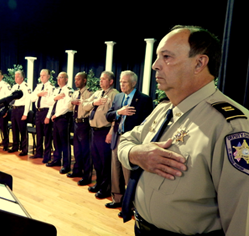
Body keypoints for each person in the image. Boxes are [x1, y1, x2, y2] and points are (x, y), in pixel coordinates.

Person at [118, 25, 249, 236]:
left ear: (199, 63)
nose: (154, 65)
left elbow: (241, 219)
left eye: (166, 57)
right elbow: (126, 140)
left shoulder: (231, 125)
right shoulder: (163, 109)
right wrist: (136, 154)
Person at [105, 70, 153, 210]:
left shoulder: (144, 99)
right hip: (117, 137)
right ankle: (117, 199)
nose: (122, 84)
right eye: (120, 81)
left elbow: (148, 123)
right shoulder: (118, 97)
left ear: (133, 83)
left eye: (125, 82)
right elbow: (109, 115)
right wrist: (119, 112)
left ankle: (130, 205)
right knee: (116, 171)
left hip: (132, 141)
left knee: (128, 173)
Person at [82, 71, 119, 199]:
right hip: (94, 131)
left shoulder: (115, 95)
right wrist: (94, 103)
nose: (100, 81)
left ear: (111, 81)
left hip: (105, 131)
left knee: (105, 163)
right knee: (96, 160)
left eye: (104, 79)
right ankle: (98, 184)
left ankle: (106, 189)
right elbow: (84, 105)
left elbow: (116, 117)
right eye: (100, 79)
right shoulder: (97, 94)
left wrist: (111, 133)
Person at [67, 72, 93, 185]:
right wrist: (71, 102)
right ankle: (77, 170)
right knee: (77, 149)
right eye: (75, 79)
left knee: (86, 151)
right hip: (75, 123)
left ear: (84, 80)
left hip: (84, 123)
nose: (76, 81)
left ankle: (87, 176)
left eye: (78, 79)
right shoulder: (75, 93)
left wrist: (81, 103)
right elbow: (69, 107)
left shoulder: (90, 93)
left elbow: (89, 108)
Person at [46, 72, 73, 174]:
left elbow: (67, 106)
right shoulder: (56, 90)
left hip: (63, 118)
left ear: (66, 79)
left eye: (61, 77)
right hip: (55, 119)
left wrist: (56, 115)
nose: (58, 79)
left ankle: (66, 165)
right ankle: (56, 160)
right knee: (56, 141)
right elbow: (48, 102)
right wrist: (55, 98)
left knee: (64, 143)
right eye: (58, 77)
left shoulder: (69, 90)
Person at [30, 69, 54, 163]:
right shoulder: (38, 87)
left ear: (48, 76)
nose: (41, 77)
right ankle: (38, 152)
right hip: (38, 112)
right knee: (39, 133)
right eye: (40, 75)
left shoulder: (51, 88)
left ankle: (47, 155)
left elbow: (51, 103)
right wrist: (38, 94)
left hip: (46, 111)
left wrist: (48, 116)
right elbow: (32, 98)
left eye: (44, 75)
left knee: (47, 135)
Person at [9, 70, 31, 156]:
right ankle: (15, 146)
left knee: (22, 130)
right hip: (14, 109)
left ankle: (24, 149)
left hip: (21, 109)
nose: (15, 78)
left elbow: (28, 100)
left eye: (17, 76)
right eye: (15, 76)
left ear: (22, 78)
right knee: (14, 129)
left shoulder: (26, 87)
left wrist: (25, 113)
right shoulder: (14, 87)